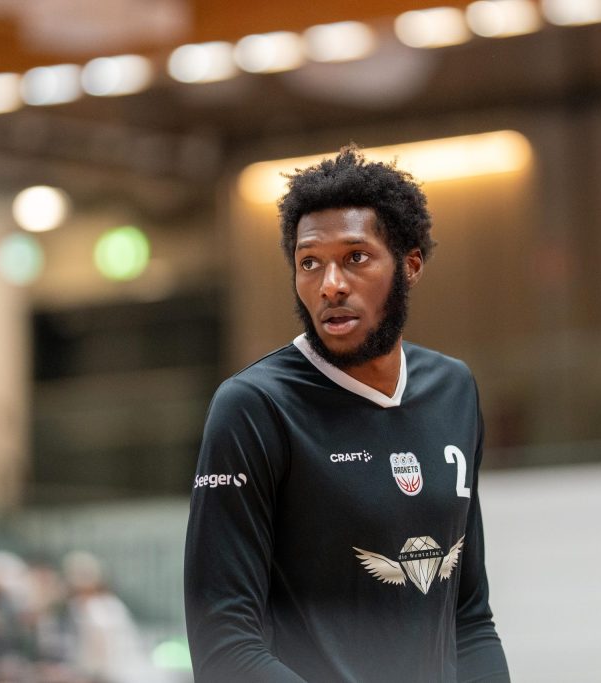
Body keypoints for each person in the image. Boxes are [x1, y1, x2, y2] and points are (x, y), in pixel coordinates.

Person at [184, 145, 510, 682]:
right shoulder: (253, 407)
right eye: (310, 262)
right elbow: (224, 646)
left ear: (410, 266)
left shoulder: (454, 389)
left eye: (355, 257)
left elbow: (469, 617)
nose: (330, 284)